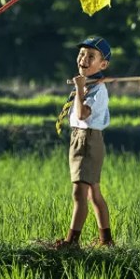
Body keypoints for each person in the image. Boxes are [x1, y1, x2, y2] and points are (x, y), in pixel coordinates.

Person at [51, 36, 115, 249]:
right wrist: (82, 86)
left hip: (88, 140)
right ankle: (106, 240)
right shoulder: (90, 84)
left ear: (103, 64)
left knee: (79, 192)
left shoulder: (98, 90)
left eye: (91, 56)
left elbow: (82, 113)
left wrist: (79, 88)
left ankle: (72, 241)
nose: (83, 59)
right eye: (81, 54)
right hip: (79, 138)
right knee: (93, 192)